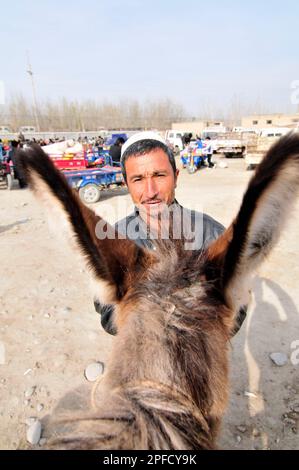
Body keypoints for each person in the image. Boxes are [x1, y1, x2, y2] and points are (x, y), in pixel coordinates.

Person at [94, 131, 247, 335]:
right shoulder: (115, 239)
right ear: (127, 184)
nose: (150, 191)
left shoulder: (210, 234)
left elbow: (238, 307)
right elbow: (106, 312)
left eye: (159, 175)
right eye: (138, 179)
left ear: (175, 177)